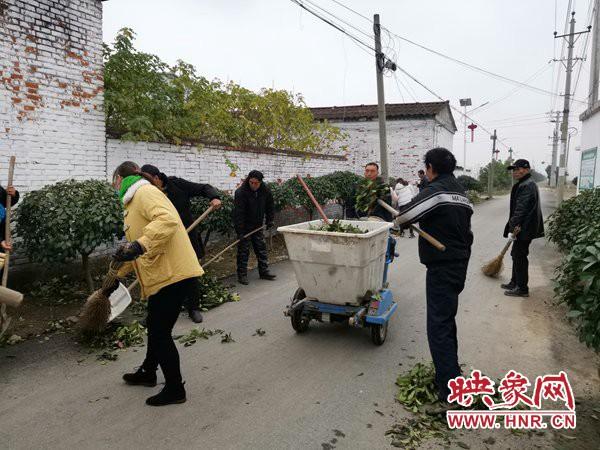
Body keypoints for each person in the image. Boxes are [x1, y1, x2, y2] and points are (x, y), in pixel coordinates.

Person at [112, 161, 203, 406]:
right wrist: (117, 274)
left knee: (160, 332)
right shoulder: (133, 201)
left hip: (173, 273)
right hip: (162, 273)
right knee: (155, 325)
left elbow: (167, 221)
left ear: (120, 178)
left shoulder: (144, 192)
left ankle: (175, 389)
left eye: (114, 181)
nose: (114, 186)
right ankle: (148, 372)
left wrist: (139, 245)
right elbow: (137, 246)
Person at [395, 148, 473, 403]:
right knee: (446, 322)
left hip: (443, 266)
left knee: (438, 326)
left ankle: (451, 392)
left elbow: (404, 216)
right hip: (459, 263)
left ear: (430, 168)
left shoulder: (437, 190)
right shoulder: (461, 193)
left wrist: (400, 216)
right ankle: (451, 375)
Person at [140, 164, 222, 323]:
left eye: (149, 182)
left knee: (189, 272)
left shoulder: (177, 185)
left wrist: (214, 197)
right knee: (160, 274)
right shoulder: (148, 194)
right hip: (163, 239)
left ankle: (193, 308)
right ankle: (153, 313)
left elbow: (204, 187)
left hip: (185, 236)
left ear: (157, 178)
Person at [502, 159, 544, 298]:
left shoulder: (527, 185)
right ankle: (515, 282)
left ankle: (522, 288)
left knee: (519, 256)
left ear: (526, 169)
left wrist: (512, 228)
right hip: (523, 227)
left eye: (517, 169)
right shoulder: (525, 183)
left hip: (524, 228)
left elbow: (521, 210)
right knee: (516, 254)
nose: (514, 172)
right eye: (513, 170)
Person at [233, 170, 276, 285]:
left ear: (260, 182)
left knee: (261, 248)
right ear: (249, 180)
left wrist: (270, 220)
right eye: (251, 182)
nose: (253, 185)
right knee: (243, 251)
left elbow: (270, 205)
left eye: (256, 183)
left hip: (257, 225)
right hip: (245, 227)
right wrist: (240, 232)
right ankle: (242, 275)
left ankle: (264, 272)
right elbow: (239, 213)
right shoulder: (241, 192)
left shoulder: (265, 190)